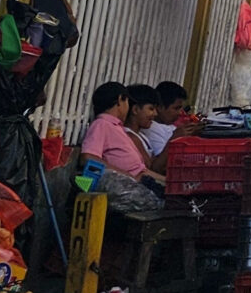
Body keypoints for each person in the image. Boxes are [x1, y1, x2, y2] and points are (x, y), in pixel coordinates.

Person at [78, 82, 165, 215]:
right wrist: (125, 175)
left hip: (140, 180)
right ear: (120, 100)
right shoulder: (102, 124)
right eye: (127, 102)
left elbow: (143, 171)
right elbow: (87, 157)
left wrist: (168, 181)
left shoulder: (117, 128)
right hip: (126, 185)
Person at [140, 81, 188, 156]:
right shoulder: (151, 129)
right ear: (160, 107)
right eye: (176, 108)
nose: (180, 113)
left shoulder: (168, 125)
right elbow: (160, 164)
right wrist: (175, 138)